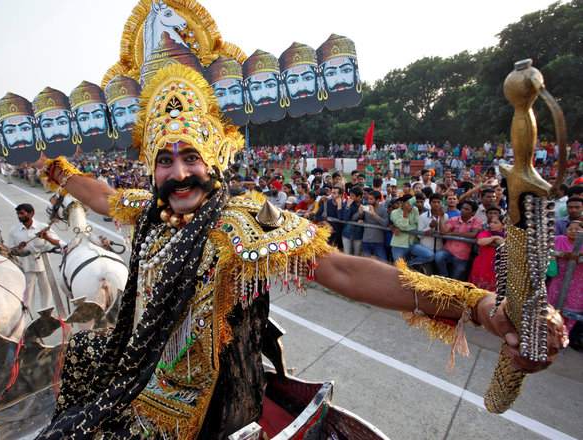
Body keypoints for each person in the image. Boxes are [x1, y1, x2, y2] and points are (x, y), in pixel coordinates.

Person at [35, 65, 564, 440]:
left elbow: (344, 271)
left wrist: (478, 306)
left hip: (208, 415)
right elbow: (101, 196)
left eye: (191, 157)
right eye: (165, 160)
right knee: (78, 363)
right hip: (141, 386)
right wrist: (58, 169)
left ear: (214, 161)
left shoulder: (241, 223)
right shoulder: (148, 210)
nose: (178, 174)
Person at [6, 203, 62, 313]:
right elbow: (10, 251)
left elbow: (57, 242)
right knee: (27, 293)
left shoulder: (42, 227)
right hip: (26, 265)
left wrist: (46, 237)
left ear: (31, 213)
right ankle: (28, 315)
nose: (19, 216)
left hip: (43, 264)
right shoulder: (14, 230)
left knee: (46, 291)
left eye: (22, 213)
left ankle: (47, 314)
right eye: (18, 214)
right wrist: (18, 248)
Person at [547, 220, 583, 334]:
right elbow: (546, 248)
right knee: (551, 308)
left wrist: (575, 255)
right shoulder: (558, 240)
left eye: (577, 229)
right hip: (558, 279)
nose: (573, 231)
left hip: (578, 283)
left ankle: (564, 335)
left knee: (572, 311)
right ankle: (549, 334)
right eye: (570, 229)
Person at [435, 200, 482, 280]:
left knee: (455, 278)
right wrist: (441, 216)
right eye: (462, 208)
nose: (463, 210)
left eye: (467, 209)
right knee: (439, 256)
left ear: (473, 212)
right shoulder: (454, 219)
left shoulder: (476, 220)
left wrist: (453, 234)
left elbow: (473, 235)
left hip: (462, 257)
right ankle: (444, 277)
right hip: (448, 252)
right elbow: (443, 231)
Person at [468, 215, 505, 290]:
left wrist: (494, 239)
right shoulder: (486, 233)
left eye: (495, 223)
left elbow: (505, 244)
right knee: (477, 290)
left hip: (498, 267)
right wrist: (494, 238)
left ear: (503, 225)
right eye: (491, 222)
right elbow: (480, 241)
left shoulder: (507, 236)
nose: (492, 224)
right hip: (483, 265)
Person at [360, 190, 389, 260]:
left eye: (371, 199)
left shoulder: (384, 210)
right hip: (366, 240)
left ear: (378, 200)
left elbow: (385, 224)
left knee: (383, 261)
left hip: (378, 241)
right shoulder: (366, 208)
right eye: (368, 199)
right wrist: (359, 213)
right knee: (365, 262)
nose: (368, 200)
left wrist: (374, 214)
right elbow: (354, 218)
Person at [338, 186, 364, 255]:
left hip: (359, 234)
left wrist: (363, 220)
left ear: (359, 197)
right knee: (347, 254)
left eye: (352, 196)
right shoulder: (347, 203)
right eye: (350, 195)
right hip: (347, 233)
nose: (350, 197)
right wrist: (348, 207)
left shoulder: (365, 204)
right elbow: (345, 219)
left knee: (357, 255)